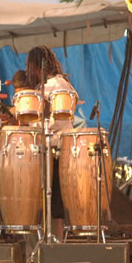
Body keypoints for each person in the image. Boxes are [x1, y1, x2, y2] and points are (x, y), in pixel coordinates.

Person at [25, 45, 78, 236]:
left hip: (57, 148)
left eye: (29, 66)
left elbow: (60, 118)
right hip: (47, 148)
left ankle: (56, 242)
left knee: (55, 203)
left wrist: (35, 124)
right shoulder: (44, 86)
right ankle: (48, 241)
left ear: (38, 65)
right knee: (46, 203)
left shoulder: (57, 85)